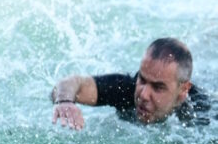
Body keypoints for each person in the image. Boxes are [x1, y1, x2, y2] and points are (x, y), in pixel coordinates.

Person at [51, 38, 213, 130]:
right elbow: (71, 84)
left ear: (183, 90)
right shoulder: (125, 88)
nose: (143, 95)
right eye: (142, 79)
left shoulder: (203, 115)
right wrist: (64, 101)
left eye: (158, 87)